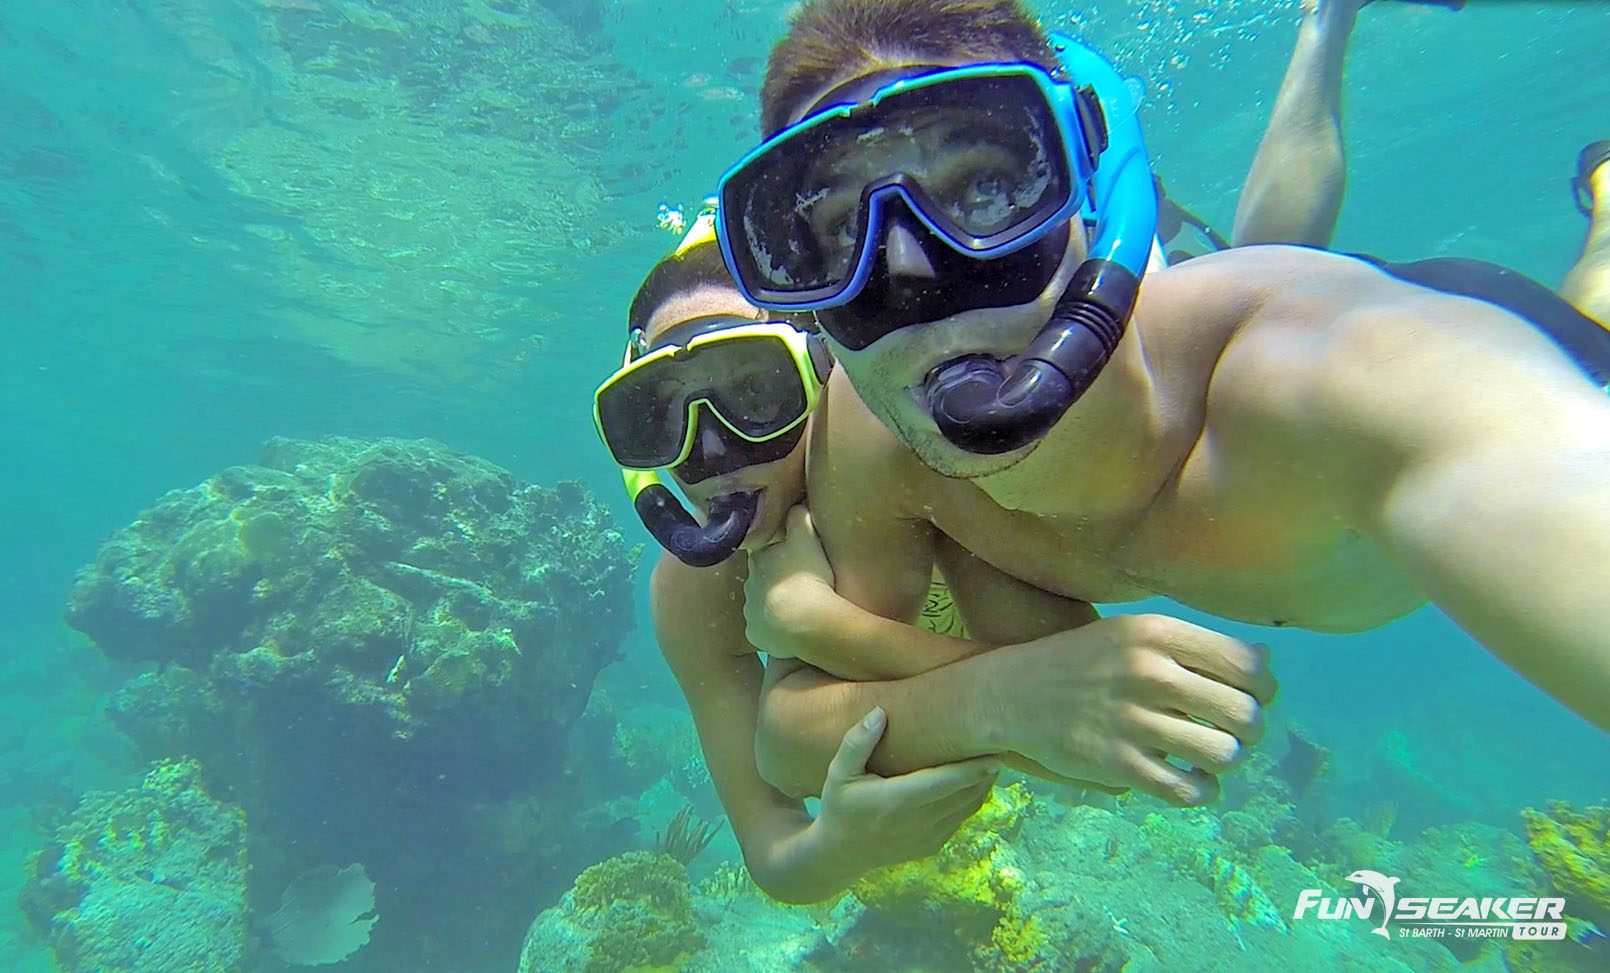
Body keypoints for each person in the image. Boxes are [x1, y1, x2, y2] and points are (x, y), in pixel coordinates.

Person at [707, 0, 1610, 805]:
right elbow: (788, 736)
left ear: (1091, 199)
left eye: (984, 188)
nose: (908, 270)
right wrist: (1009, 694)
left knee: (1590, 312)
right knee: (1259, 250)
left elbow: (1527, 461)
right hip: (1208, 328)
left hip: (1476, 314)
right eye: (832, 233)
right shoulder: (874, 432)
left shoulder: (1366, 381)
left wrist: (903, 672)